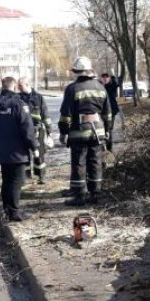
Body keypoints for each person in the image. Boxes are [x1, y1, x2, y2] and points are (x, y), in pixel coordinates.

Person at [0, 77, 39, 221]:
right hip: (18, 150)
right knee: (17, 180)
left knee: (7, 179)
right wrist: (34, 146)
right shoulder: (18, 104)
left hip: (1, 148)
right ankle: (13, 212)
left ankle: (8, 209)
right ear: (14, 87)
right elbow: (27, 129)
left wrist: (0, 133)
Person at [58, 57, 112, 206]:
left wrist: (63, 132)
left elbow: (65, 114)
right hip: (98, 132)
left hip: (78, 132)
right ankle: (96, 194)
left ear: (76, 72)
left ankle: (79, 195)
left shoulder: (72, 88)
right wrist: (107, 130)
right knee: (95, 162)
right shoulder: (101, 87)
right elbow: (108, 113)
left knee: (79, 163)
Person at [18, 77, 52, 184]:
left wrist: (49, 131)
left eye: (21, 85)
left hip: (38, 130)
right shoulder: (18, 98)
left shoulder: (39, 97)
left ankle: (41, 176)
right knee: (24, 154)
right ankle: (26, 177)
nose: (19, 87)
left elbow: (45, 114)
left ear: (28, 84)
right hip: (23, 131)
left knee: (39, 154)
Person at [100, 73, 120, 152]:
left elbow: (116, 84)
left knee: (109, 129)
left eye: (106, 77)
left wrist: (113, 76)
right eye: (103, 77)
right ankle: (102, 147)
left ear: (109, 79)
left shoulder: (112, 86)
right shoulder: (99, 87)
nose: (105, 79)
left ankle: (109, 149)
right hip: (101, 112)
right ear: (101, 78)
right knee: (102, 129)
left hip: (111, 111)